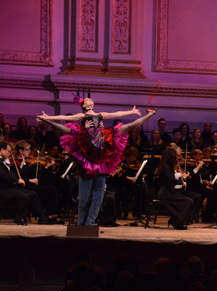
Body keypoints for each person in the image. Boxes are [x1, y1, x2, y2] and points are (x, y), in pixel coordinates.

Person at [37, 96, 156, 226]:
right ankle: (82, 223)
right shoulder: (82, 116)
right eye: (87, 100)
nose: (90, 100)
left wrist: (131, 112)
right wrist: (48, 118)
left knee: (126, 127)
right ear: (84, 105)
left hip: (101, 143)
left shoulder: (100, 115)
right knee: (84, 198)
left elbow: (115, 114)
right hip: (88, 144)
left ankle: (90, 222)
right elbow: (64, 120)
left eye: (91, 99)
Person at [157, 147, 196, 229]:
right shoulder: (165, 167)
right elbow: (171, 179)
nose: (176, 158)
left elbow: (172, 179)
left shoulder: (167, 166)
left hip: (169, 191)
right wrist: (181, 182)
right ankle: (177, 221)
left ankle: (177, 221)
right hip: (166, 193)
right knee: (188, 201)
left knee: (189, 200)